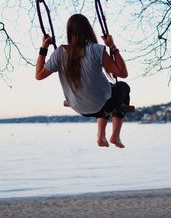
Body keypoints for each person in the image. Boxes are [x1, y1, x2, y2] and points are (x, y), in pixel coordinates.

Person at [35, 14, 130, 148]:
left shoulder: (60, 52)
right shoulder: (96, 49)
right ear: (88, 30)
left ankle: (101, 136)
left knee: (106, 91)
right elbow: (122, 73)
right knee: (122, 87)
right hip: (101, 104)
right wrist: (113, 47)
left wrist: (43, 48)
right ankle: (115, 135)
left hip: (79, 107)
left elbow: (38, 75)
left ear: (69, 32)